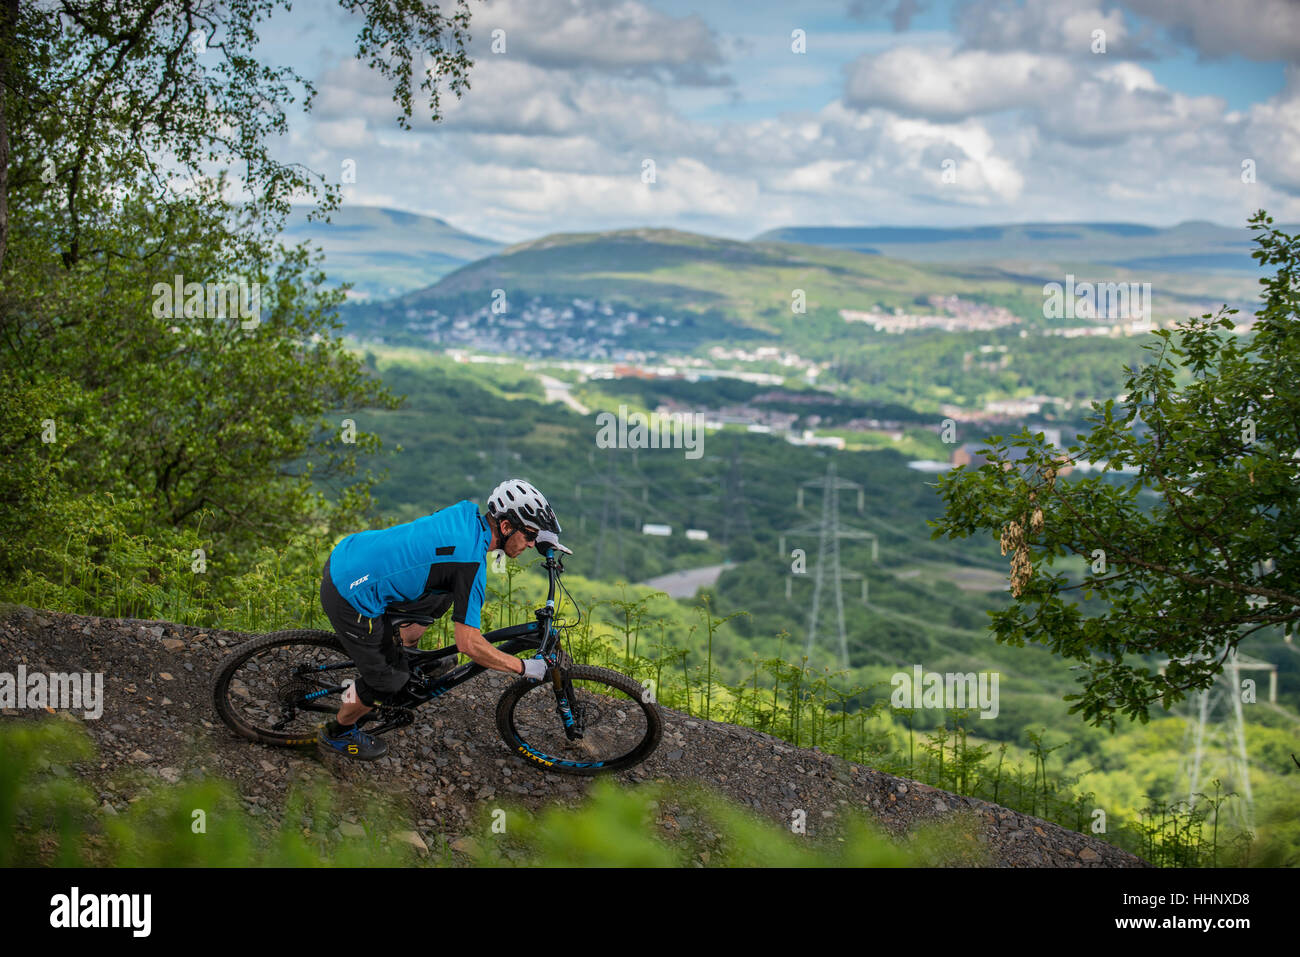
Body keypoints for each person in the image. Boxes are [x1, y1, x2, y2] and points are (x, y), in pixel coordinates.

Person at [317, 479, 562, 760]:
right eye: (530, 536)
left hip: (352, 554)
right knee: (387, 681)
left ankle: (406, 652)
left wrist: (545, 538)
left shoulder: (467, 514)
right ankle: (338, 732)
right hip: (351, 595)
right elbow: (468, 643)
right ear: (506, 527)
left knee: (443, 592)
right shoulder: (469, 564)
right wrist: (523, 667)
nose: (531, 544)